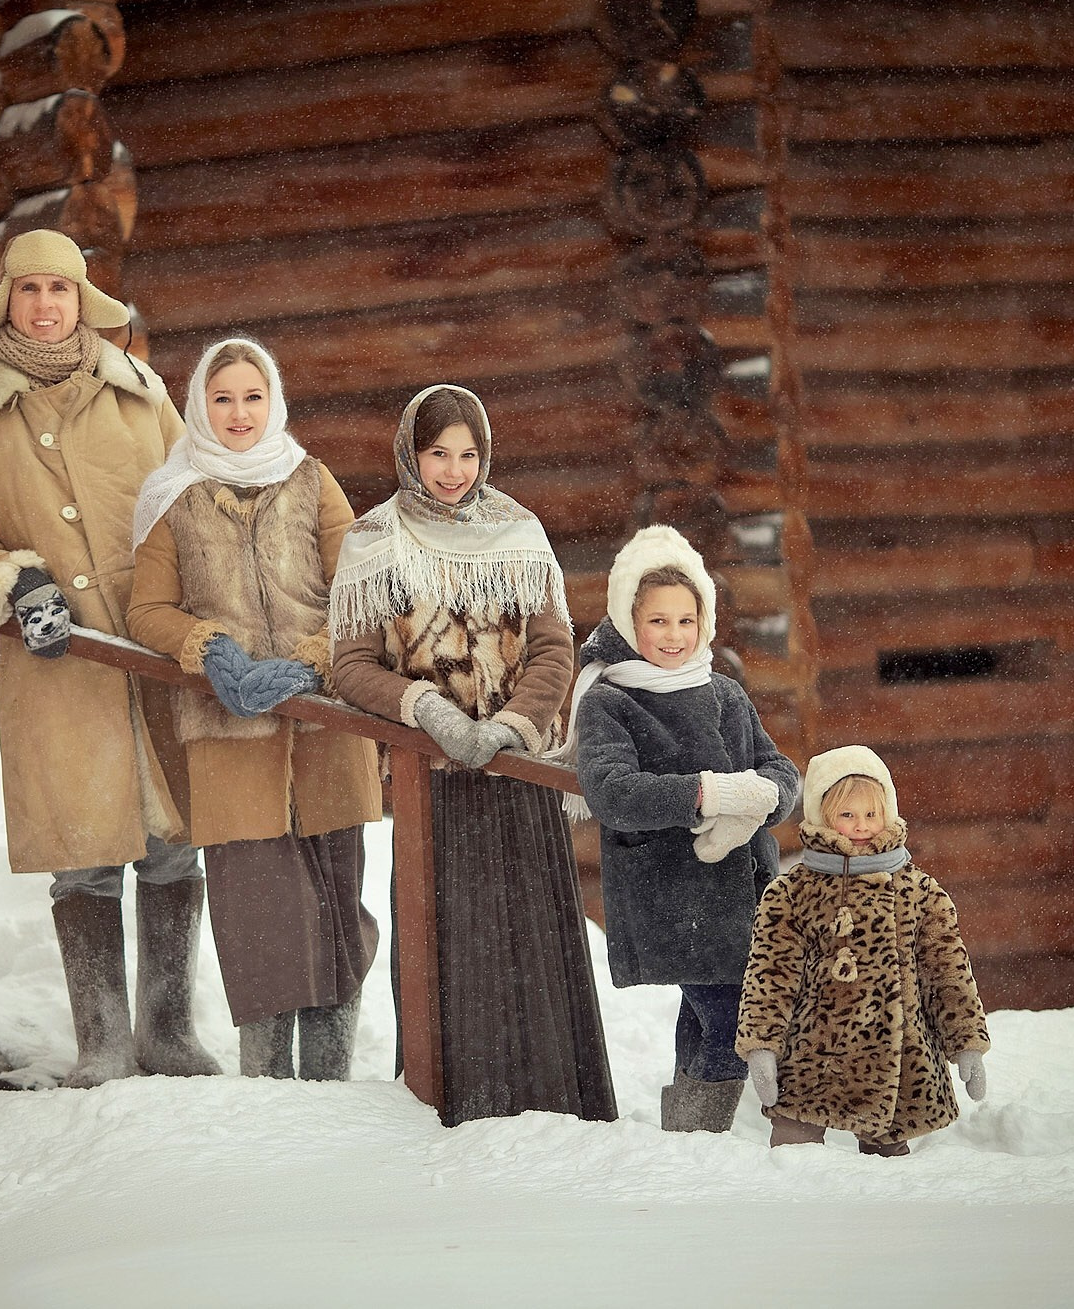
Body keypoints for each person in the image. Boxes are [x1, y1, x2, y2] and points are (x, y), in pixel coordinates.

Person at [0, 228, 219, 1087]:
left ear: (82, 299)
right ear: (4, 302)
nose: (45, 307)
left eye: (59, 289)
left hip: (151, 643)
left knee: (174, 843)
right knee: (84, 854)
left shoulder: (141, 394)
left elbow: (192, 498)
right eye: (28, 291)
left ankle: (167, 1033)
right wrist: (10, 580)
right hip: (57, 658)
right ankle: (103, 1047)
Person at [328, 383, 615, 1125]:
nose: (453, 470)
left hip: (517, 774)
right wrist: (427, 712)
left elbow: (555, 648)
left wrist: (515, 726)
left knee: (532, 939)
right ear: (411, 455)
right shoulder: (376, 539)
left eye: (466, 454)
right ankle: (452, 1107)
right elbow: (351, 665)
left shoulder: (519, 531)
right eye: (437, 454)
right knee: (448, 945)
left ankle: (553, 1104)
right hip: (435, 782)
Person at [126, 337, 384, 1080]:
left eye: (252, 397)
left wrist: (310, 661)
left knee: (339, 909)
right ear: (200, 407)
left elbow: (361, 590)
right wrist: (211, 652)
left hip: (328, 730)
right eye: (223, 398)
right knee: (263, 920)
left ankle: (328, 1084)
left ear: (273, 401)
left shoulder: (312, 481)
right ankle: (268, 1094)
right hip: (228, 735)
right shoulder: (172, 497)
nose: (239, 413)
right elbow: (147, 610)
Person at [567, 525, 799, 1133]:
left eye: (686, 621)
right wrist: (706, 791)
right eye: (658, 622)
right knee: (733, 1022)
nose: (673, 636)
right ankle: (704, 1133)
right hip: (670, 895)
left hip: (742, 890)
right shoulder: (610, 702)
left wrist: (766, 795)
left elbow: (780, 769)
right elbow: (613, 793)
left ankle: (685, 1136)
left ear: (706, 622)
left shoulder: (724, 694)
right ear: (627, 621)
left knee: (705, 1017)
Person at [737, 745, 991, 1155]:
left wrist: (967, 1044)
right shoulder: (793, 892)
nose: (861, 827)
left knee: (889, 1175)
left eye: (871, 814)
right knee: (793, 1157)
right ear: (823, 816)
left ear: (887, 813)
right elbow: (770, 974)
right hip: (812, 1056)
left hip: (897, 1054)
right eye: (847, 815)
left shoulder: (918, 891)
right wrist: (762, 1045)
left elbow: (948, 972)